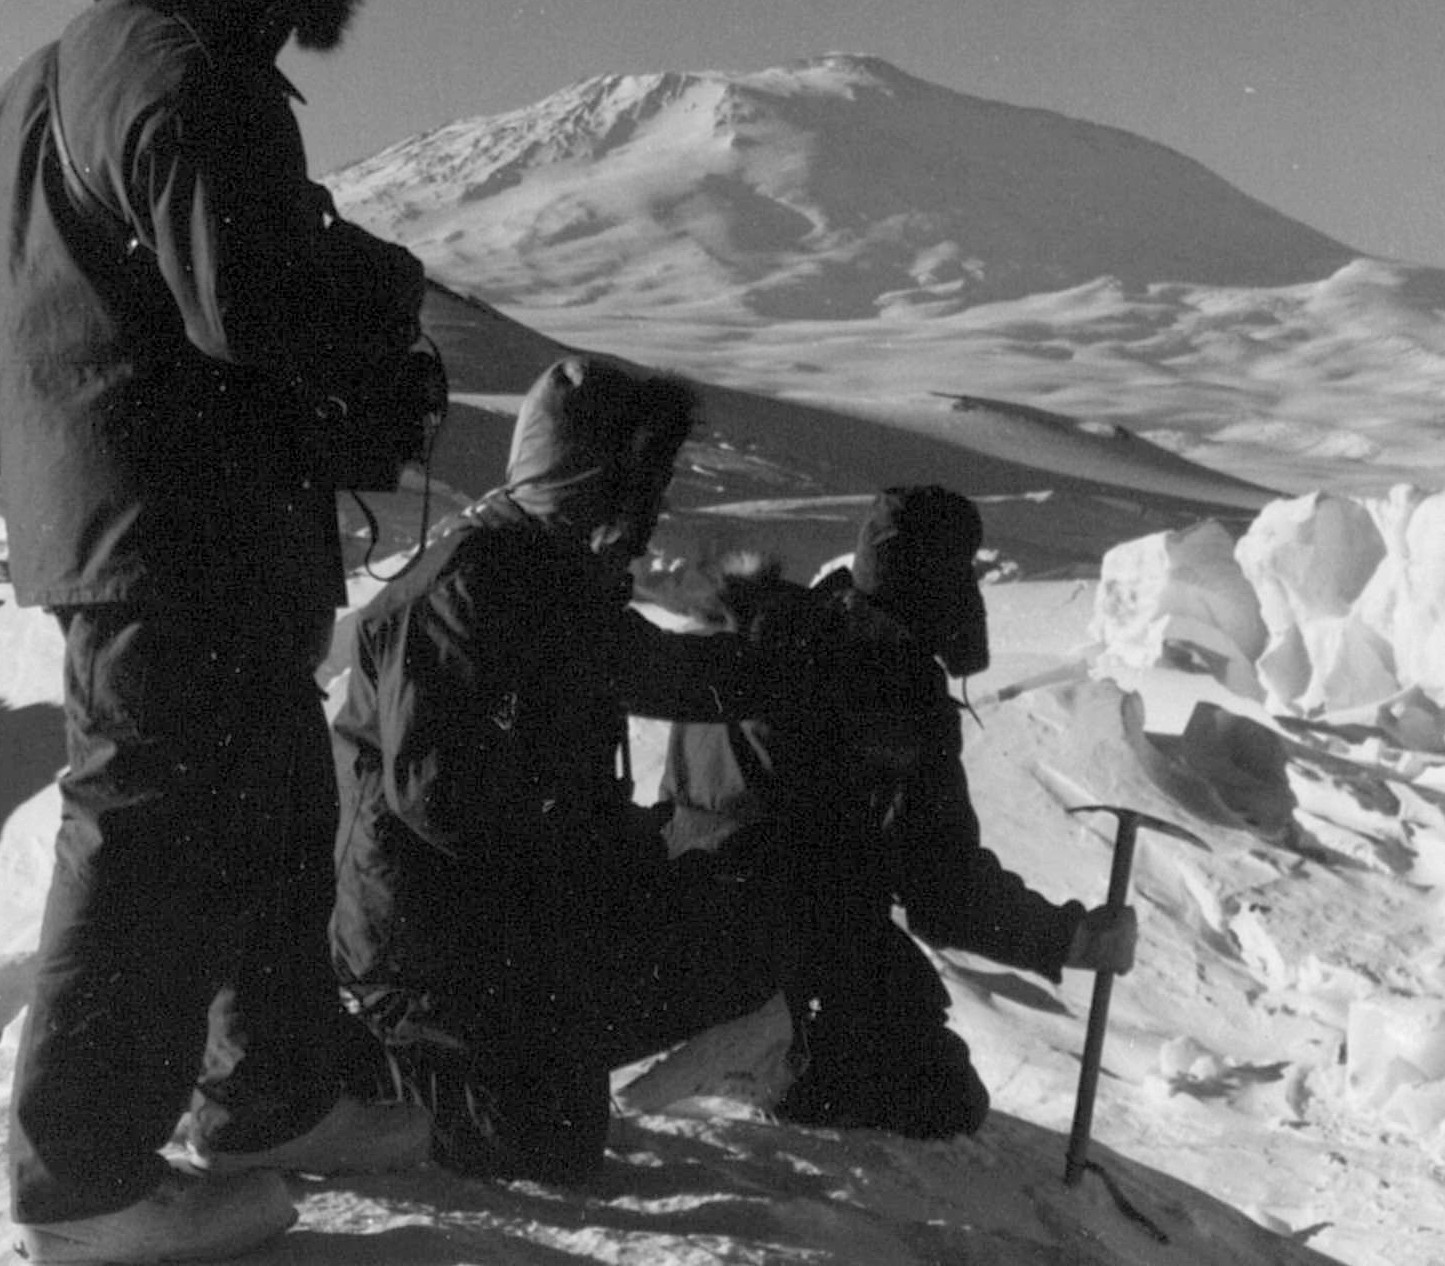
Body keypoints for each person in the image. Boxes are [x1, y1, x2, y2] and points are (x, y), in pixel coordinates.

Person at [0, 0, 434, 1266]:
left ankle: (273, 1097)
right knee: (155, 821)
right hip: (180, 524)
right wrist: (375, 310)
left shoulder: (74, 68)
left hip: (147, 512)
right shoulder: (177, 62)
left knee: (269, 807)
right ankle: (87, 1178)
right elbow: (249, 295)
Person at [333, 362, 999, 1183]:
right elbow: (442, 803)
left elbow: (666, 674)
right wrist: (595, 866)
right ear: (589, 482)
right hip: (429, 946)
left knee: (744, 916)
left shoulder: (547, 577)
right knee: (546, 1141)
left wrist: (802, 667)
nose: (651, 521)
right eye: (643, 490)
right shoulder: (472, 587)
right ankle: (339, 1072)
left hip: (501, 920)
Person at [670, 488, 1135, 1138]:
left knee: (882, 975)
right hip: (789, 931)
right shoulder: (891, 687)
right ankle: (780, 1052)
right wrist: (1070, 939)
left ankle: (749, 1027)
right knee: (943, 1096)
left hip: (676, 918)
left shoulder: (758, 630)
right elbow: (943, 891)